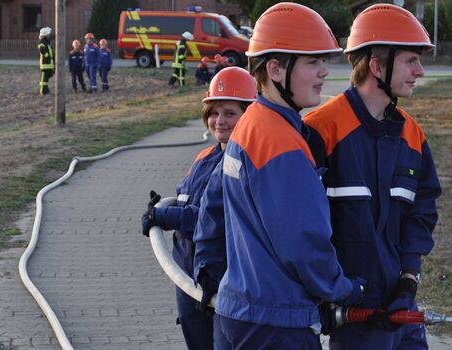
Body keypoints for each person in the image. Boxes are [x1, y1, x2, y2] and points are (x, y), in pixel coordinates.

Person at [205, 3, 366, 349]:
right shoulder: (280, 142)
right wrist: (343, 288)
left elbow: (213, 207)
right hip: (275, 323)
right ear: (276, 69)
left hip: (237, 314)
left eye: (323, 61)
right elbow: (304, 243)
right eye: (312, 62)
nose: (324, 72)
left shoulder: (251, 123)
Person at [303, 4, 441, 349]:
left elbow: (421, 213)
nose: (420, 71)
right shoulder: (320, 131)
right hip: (357, 316)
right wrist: (334, 293)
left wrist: (408, 279)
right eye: (411, 61)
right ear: (377, 66)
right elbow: (300, 228)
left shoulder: (412, 134)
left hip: (401, 308)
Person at [142, 67, 257, 350]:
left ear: (249, 115)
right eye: (214, 112)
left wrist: (164, 216)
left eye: (230, 113)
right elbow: (189, 202)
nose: (220, 121)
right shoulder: (205, 156)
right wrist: (165, 209)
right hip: (187, 276)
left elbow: (215, 218)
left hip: (218, 280)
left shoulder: (245, 162)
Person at [37, 27, 54, 95]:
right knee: (43, 79)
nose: (49, 36)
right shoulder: (42, 42)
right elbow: (41, 48)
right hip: (45, 64)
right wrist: (45, 54)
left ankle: (46, 90)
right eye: (48, 34)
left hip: (49, 64)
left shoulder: (47, 43)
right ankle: (43, 91)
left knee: (46, 78)